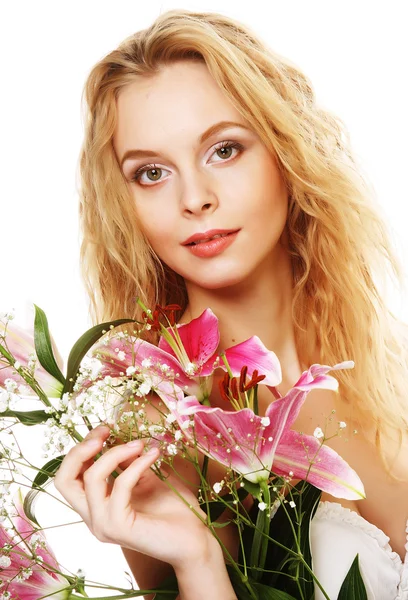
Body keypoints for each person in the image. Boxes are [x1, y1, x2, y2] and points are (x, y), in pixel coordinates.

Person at [53, 8, 408, 600]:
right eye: (150, 173)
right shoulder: (156, 430)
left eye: (223, 150)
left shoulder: (384, 354)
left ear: (286, 151)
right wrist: (197, 563)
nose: (194, 198)